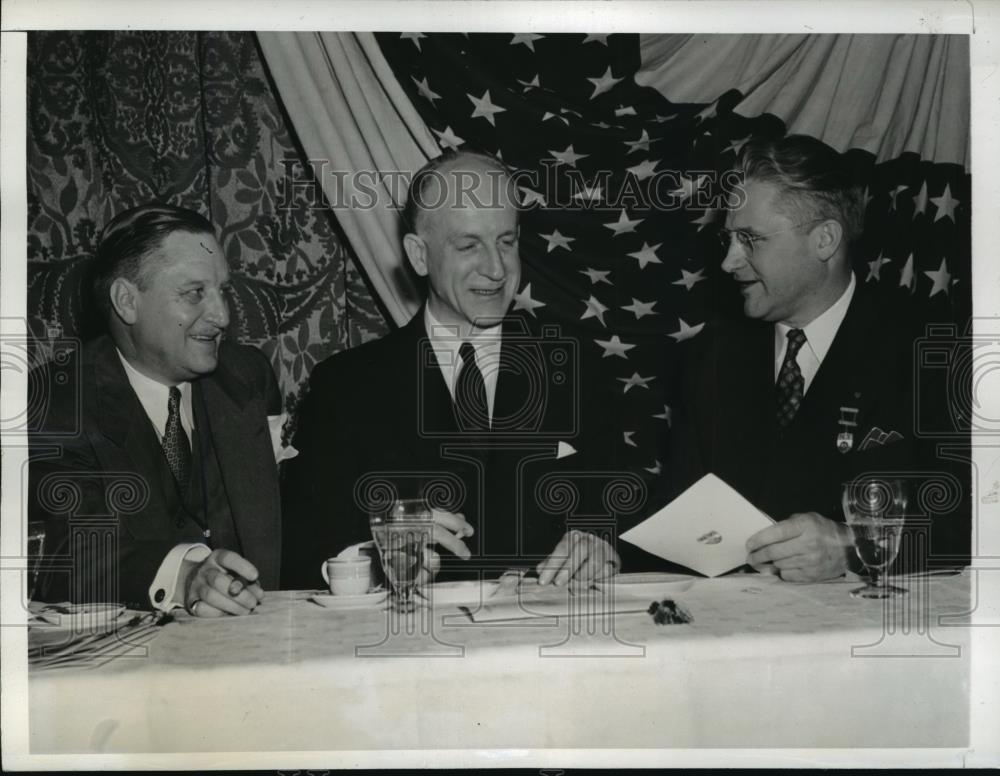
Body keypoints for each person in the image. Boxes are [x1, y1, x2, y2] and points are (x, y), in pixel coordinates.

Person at [282, 150, 628, 590]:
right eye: (469, 246)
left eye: (506, 241)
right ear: (419, 255)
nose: (497, 269)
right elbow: (300, 555)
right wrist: (378, 555)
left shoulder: (580, 368)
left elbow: (626, 513)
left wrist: (603, 542)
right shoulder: (345, 387)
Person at [666, 134, 966, 582]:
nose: (729, 261)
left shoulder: (932, 350)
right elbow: (677, 518)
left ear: (825, 239)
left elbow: (975, 521)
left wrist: (852, 546)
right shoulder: (712, 356)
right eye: (728, 238)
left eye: (750, 239)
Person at [30, 204, 283, 617]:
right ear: (127, 301)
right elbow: (59, 554)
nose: (223, 316)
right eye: (195, 293)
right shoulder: (53, 402)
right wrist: (184, 576)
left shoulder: (248, 376)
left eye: (224, 290)